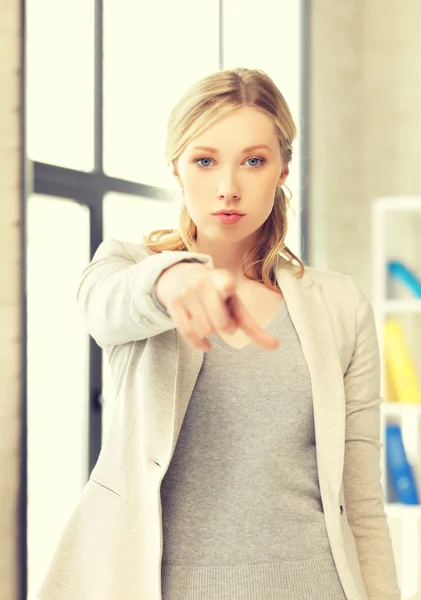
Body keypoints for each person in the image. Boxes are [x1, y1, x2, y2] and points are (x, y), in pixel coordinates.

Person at [36, 67, 401, 600]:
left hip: (317, 585)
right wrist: (174, 277)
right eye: (204, 161)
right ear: (177, 170)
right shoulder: (128, 271)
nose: (228, 187)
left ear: (281, 172)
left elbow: (363, 501)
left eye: (254, 161)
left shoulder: (340, 305)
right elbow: (104, 307)